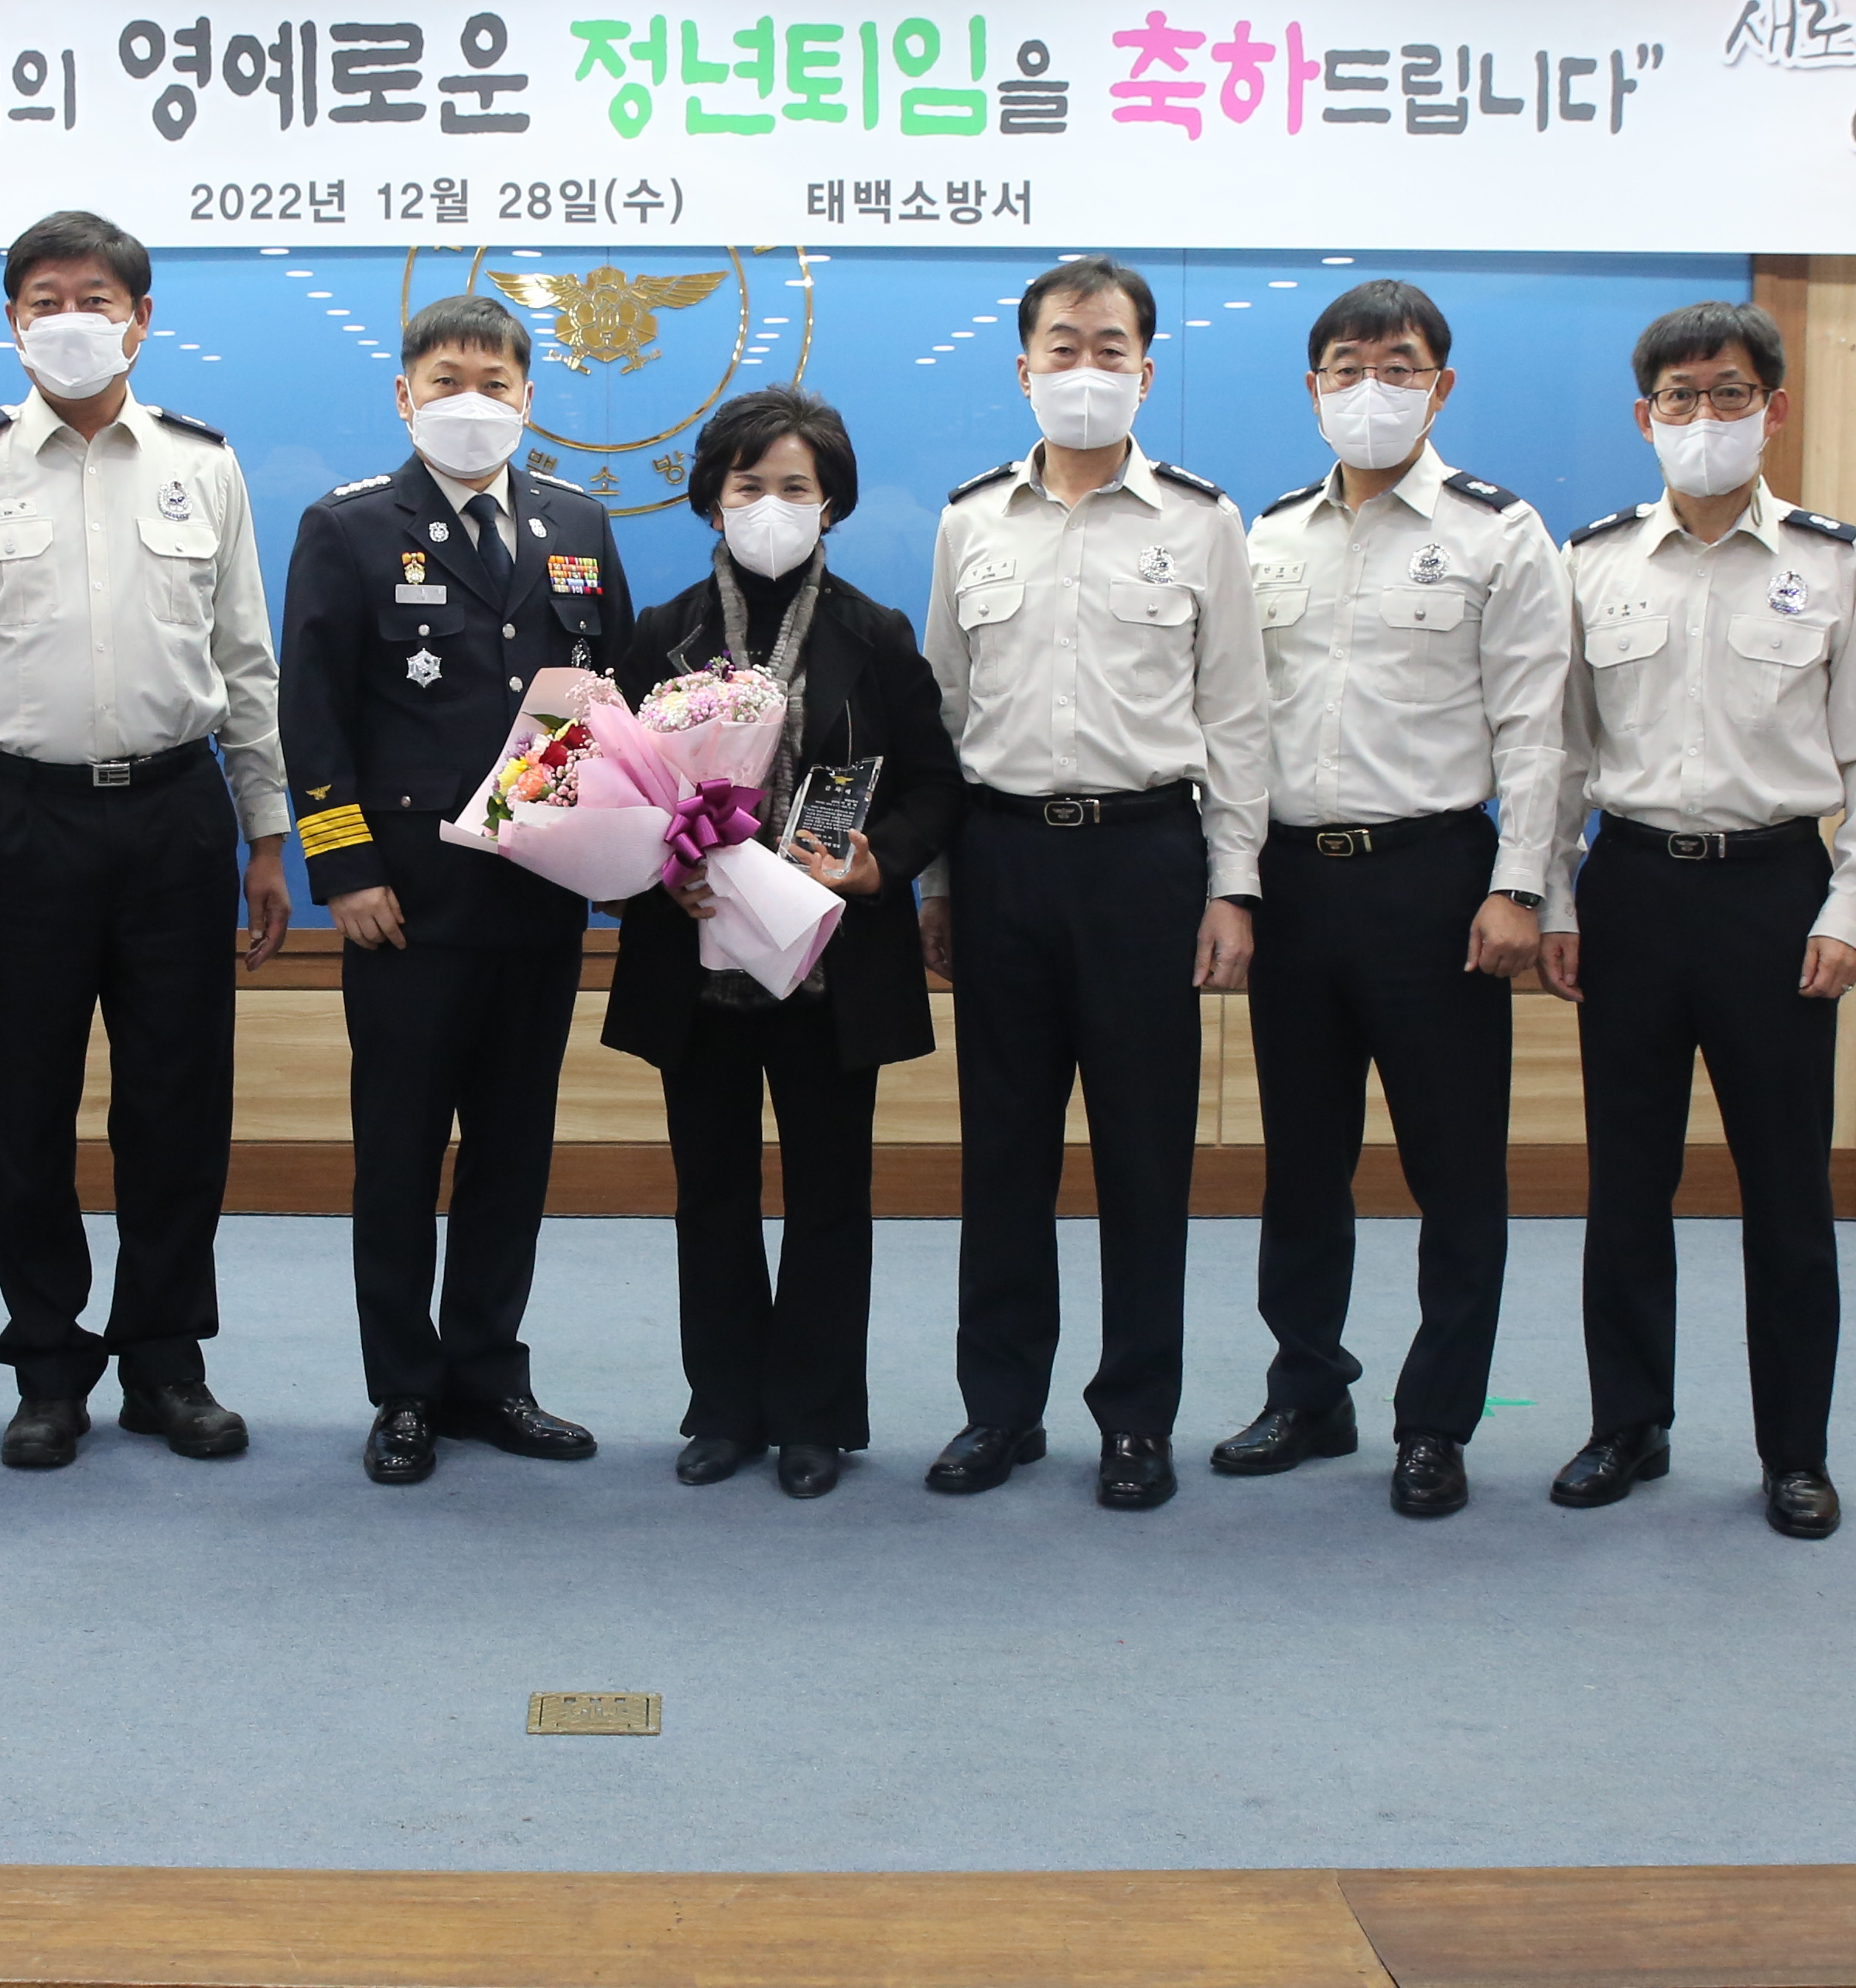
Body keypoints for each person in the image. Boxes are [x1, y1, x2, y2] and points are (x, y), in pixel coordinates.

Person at [0, 211, 293, 1471]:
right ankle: (48, 1368)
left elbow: (247, 661)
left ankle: (166, 1364)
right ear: (12, 322)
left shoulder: (203, 465)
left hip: (176, 815)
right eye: (44, 300)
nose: (71, 319)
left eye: (95, 298)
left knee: (177, 1105)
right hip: (25, 821)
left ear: (141, 320)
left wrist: (267, 832)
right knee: (27, 1103)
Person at [1540, 300, 1856, 1541]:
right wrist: (1555, 896)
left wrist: (1853, 909)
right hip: (1634, 893)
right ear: (1644, 416)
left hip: (1775, 898)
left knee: (1787, 1191)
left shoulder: (1838, 562)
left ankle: (1794, 1452)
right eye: (1681, 398)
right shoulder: (1594, 562)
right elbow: (1562, 756)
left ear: (1774, 409)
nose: (1705, 417)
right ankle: (1627, 1424)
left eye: (1730, 394)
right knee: (1626, 1184)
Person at [917, 256, 1270, 1511]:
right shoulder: (970, 520)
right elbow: (944, 713)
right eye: (1062, 347)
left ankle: (1135, 1420)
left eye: (1109, 348)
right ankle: (1000, 1411)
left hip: (1145, 860)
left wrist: (1234, 887)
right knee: (1003, 1151)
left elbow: (1238, 715)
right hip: (1002, 856)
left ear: (1145, 372)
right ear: (1024, 368)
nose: (1085, 368)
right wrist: (938, 885)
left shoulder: (1203, 521)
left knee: (1144, 1154)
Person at [1219, 279, 1569, 1520]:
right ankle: (1308, 1391)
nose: (1373, 388)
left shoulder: (1499, 533)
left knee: (1454, 1172)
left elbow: (1538, 730)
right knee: (1302, 1166)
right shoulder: (1266, 537)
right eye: (1348, 367)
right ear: (1313, 387)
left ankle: (1436, 1424)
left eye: (1400, 366)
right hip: (1296, 884)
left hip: (1437, 884)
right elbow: (1234, 725)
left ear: (1441, 385)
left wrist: (1521, 884)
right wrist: (1235, 882)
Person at [278, 292, 634, 1486]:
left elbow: (605, 698)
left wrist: (599, 848)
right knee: (399, 1154)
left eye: (494, 382)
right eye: (447, 381)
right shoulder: (349, 527)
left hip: (537, 899)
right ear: (405, 396)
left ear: (529, 397)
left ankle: (488, 1375)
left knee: (512, 1152)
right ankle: (405, 1391)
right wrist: (345, 869)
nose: (470, 402)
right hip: (405, 907)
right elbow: (312, 713)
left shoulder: (578, 522)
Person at [603, 389, 963, 1500]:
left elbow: (936, 785)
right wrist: (658, 871)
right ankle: (723, 1409)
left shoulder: (875, 633)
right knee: (709, 1192)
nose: (771, 506)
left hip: (830, 965)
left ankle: (815, 1417)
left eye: (795, 488)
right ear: (713, 499)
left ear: (831, 503)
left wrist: (878, 864)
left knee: (829, 1197)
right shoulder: (661, 635)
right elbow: (602, 794)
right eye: (749, 484)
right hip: (697, 963)